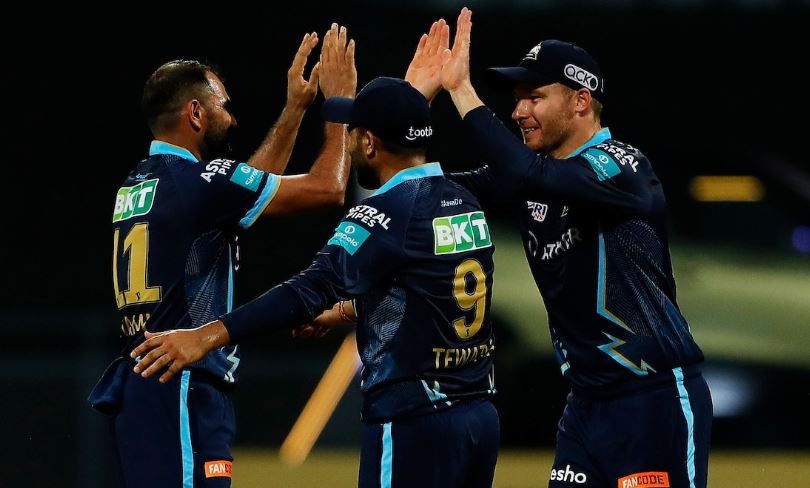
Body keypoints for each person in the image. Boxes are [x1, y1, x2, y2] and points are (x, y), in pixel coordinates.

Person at [130, 76, 500, 488]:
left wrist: (207, 335)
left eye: (353, 132)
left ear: (369, 143)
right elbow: (426, 293)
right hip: (480, 416)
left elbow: (308, 289)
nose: (351, 142)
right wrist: (343, 311)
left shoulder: (385, 213)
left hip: (414, 419)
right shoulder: (462, 199)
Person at [408, 8, 712, 488]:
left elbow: (530, 175)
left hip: (652, 399)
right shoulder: (531, 177)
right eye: (516, 100)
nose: (518, 112)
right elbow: (422, 198)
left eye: (534, 97)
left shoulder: (622, 166)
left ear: (581, 101)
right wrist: (410, 109)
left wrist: (462, 92)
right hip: (585, 407)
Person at [88, 23, 356, 488]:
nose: (231, 117)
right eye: (223, 105)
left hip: (150, 386)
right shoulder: (195, 184)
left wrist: (295, 107)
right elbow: (328, 188)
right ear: (195, 113)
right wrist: (339, 105)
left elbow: (242, 189)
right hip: (181, 384)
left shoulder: (143, 182)